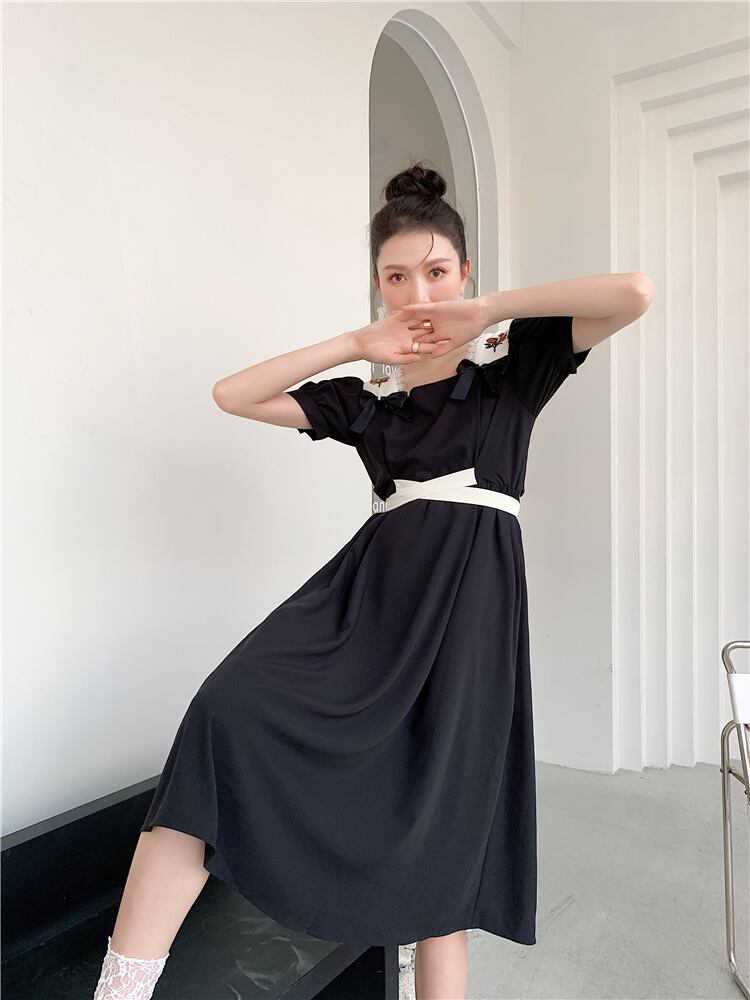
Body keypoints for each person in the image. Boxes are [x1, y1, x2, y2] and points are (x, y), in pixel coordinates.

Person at [92, 161, 648, 1000]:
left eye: (437, 271)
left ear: (464, 271)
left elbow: (635, 292)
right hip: (367, 608)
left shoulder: (512, 368)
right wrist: (357, 344)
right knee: (222, 714)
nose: (419, 293)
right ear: (378, 287)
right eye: (396, 277)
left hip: (468, 621)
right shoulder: (371, 396)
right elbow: (232, 394)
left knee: (444, 835)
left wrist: (492, 310)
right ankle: (122, 989)